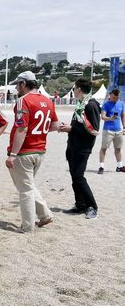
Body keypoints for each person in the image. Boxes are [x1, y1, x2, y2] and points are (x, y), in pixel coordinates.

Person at [5, 71, 59, 233]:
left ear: (23, 84)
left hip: (24, 152)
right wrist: (38, 132)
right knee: (27, 185)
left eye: (17, 85)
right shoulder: (47, 101)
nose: (16, 88)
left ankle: (27, 226)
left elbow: (22, 128)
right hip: (40, 150)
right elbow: (55, 126)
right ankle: (44, 214)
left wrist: (13, 154)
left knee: (25, 190)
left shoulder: (23, 101)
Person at [59, 79, 101, 219]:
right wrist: (69, 128)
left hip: (83, 147)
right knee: (74, 176)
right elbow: (79, 125)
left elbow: (94, 129)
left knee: (78, 176)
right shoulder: (80, 105)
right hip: (73, 145)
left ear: (79, 89)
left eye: (74, 88)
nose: (73, 91)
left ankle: (92, 206)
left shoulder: (91, 105)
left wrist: (72, 128)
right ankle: (80, 204)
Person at [97, 89, 124, 174]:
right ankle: (101, 167)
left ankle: (119, 166)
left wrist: (124, 127)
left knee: (118, 149)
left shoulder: (121, 104)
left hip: (119, 130)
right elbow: (103, 117)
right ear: (110, 95)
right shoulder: (106, 105)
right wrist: (110, 118)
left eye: (117, 98)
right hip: (108, 130)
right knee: (104, 148)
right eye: (113, 97)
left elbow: (123, 116)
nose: (115, 99)